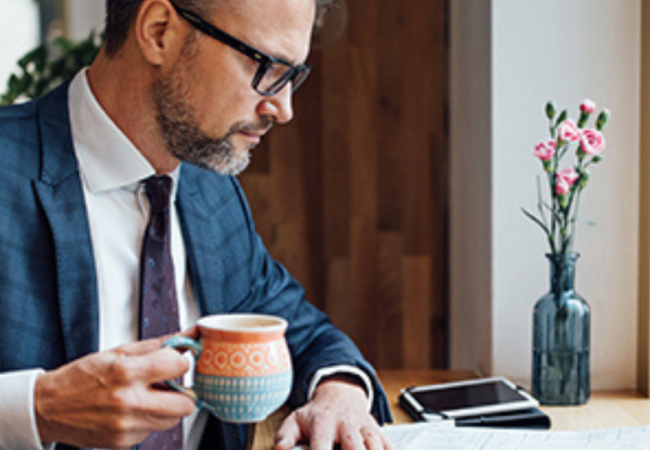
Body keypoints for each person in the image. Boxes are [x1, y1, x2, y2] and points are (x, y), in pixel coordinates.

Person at [0, 0, 396, 449]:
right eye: (268, 66)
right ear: (159, 31)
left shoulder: (209, 189)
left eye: (294, 76)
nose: (283, 108)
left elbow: (301, 330)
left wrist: (340, 394)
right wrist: (38, 408)